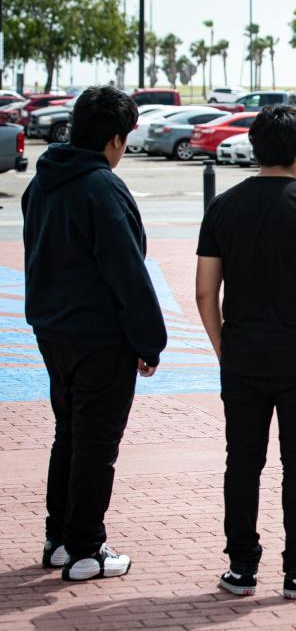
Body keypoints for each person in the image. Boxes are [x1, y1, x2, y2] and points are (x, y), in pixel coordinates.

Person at [195, 104, 296, 600]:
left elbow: (205, 292)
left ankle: (241, 568)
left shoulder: (223, 206)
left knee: (242, 461)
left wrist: (225, 347)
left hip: (242, 353)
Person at [22, 85, 167, 581]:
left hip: (52, 330)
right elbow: (126, 269)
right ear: (113, 139)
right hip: (100, 337)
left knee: (69, 434)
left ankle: (59, 538)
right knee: (96, 445)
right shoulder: (102, 188)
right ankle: (87, 550)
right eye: (124, 139)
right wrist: (150, 341)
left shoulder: (42, 182)